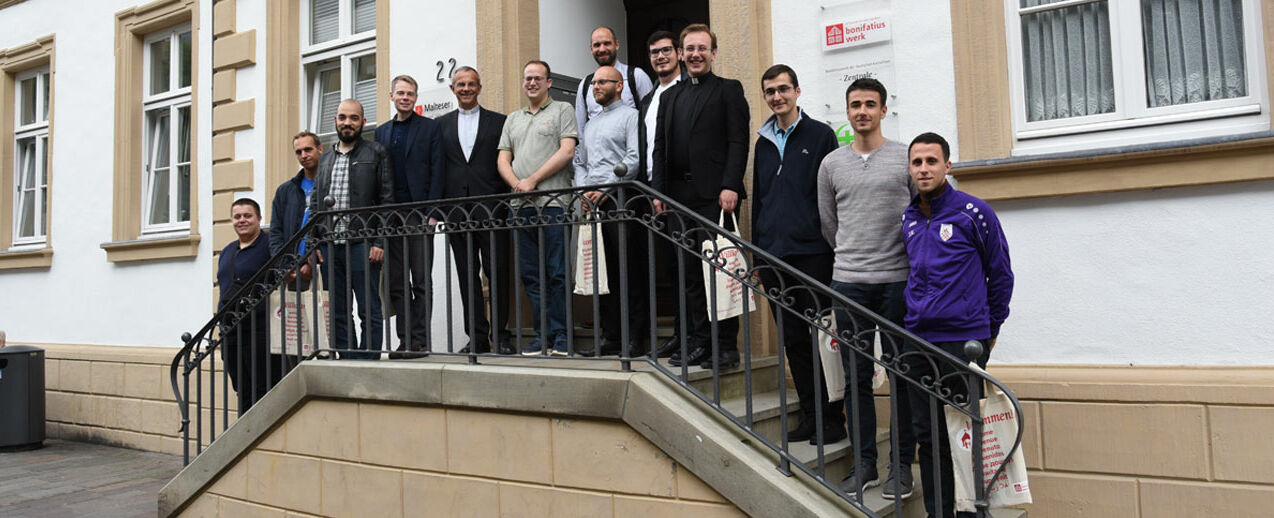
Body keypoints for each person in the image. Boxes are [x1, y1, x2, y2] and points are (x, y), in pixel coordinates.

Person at [902, 132, 1013, 518]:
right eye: (917, 162)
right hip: (918, 343)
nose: (924, 169)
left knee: (966, 437)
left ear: (947, 166)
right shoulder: (909, 216)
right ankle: (939, 513)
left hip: (962, 342)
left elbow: (999, 274)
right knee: (928, 438)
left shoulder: (974, 211)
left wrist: (989, 330)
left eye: (932, 161)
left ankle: (971, 513)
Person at [817, 77, 919, 499]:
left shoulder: (904, 158)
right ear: (847, 111)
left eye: (870, 104)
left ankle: (901, 468)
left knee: (902, 378)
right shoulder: (831, 164)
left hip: (897, 282)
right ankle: (865, 466)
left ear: (883, 110)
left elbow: (920, 213)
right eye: (855, 104)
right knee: (856, 379)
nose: (862, 111)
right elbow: (829, 224)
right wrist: (853, 259)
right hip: (849, 285)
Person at [751, 64, 846, 446]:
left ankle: (834, 419)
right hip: (773, 257)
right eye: (770, 91)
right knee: (792, 340)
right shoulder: (762, 142)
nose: (777, 97)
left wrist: (832, 246)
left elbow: (831, 197)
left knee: (824, 339)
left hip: (812, 253)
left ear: (797, 91)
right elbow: (759, 199)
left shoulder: (820, 135)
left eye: (783, 89)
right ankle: (811, 415)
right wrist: (757, 255)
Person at [650, 24, 749, 370]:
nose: (695, 54)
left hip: (714, 198)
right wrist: (660, 192)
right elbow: (660, 147)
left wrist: (731, 185)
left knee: (718, 274)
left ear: (713, 53)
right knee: (687, 274)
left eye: (702, 48)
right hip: (677, 198)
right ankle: (698, 342)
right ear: (680, 53)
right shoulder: (668, 97)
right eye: (689, 48)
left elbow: (738, 141)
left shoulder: (728, 90)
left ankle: (725, 348)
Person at [497, 60, 578, 356]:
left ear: (549, 82)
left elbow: (567, 151)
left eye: (537, 78)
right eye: (527, 78)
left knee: (556, 273)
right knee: (531, 275)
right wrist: (518, 184)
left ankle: (562, 337)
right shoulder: (513, 119)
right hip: (520, 208)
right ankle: (541, 336)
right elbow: (503, 159)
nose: (531, 83)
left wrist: (532, 180)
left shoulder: (562, 111)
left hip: (553, 204)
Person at [436, 66, 515, 355]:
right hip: (457, 212)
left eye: (471, 84)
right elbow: (438, 170)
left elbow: (509, 162)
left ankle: (502, 334)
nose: (466, 89)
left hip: (493, 208)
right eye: (460, 84)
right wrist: (440, 209)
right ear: (453, 89)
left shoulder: (500, 122)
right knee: (466, 275)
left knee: (498, 271)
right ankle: (477, 337)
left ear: (480, 87)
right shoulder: (440, 125)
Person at [310, 99, 394, 360]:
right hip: (330, 245)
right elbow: (315, 204)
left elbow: (387, 200)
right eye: (343, 117)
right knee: (338, 309)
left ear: (363, 122)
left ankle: (368, 359)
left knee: (369, 307)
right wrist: (315, 243)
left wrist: (380, 241)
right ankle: (347, 358)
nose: (348, 123)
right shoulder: (325, 159)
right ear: (335, 121)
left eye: (354, 118)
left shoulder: (376, 152)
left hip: (363, 243)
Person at [374, 74, 445, 358]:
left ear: (416, 98)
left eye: (410, 93)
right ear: (391, 96)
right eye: (400, 93)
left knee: (421, 281)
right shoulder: (380, 132)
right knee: (397, 283)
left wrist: (433, 212)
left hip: (419, 215)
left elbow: (438, 170)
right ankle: (404, 341)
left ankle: (420, 340)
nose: (405, 97)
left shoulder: (430, 128)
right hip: (391, 217)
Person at [574, 65, 641, 356]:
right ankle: (610, 336)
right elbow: (581, 162)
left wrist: (605, 188)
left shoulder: (631, 117)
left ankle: (636, 337)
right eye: (594, 83)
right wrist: (582, 191)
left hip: (620, 200)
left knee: (628, 269)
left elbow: (634, 158)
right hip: (591, 204)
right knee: (600, 271)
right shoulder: (589, 124)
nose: (596, 87)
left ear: (620, 86)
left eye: (603, 82)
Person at [640, 30, 688, 359]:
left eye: (666, 51)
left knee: (691, 270)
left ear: (679, 54)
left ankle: (699, 336)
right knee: (670, 268)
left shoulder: (689, 90)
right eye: (655, 52)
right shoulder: (648, 99)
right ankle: (679, 334)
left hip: (684, 192)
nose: (661, 57)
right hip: (651, 191)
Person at [217, 198, 282, 414]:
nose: (242, 220)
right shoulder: (227, 251)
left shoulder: (269, 245)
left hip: (260, 329)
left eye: (247, 216)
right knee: (241, 388)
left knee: (263, 387)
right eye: (237, 217)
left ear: (259, 218)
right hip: (232, 331)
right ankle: (246, 434)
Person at [575, 26, 653, 142]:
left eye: (607, 43)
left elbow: (651, 120)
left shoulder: (636, 76)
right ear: (591, 49)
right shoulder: (585, 85)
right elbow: (580, 130)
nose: (602, 49)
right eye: (597, 45)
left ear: (616, 45)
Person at [269, 132, 323, 289]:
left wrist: (312, 262)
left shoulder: (331, 185)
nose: (303, 155)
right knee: (291, 313)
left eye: (308, 149)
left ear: (320, 149)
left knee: (325, 313)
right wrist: (284, 267)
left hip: (321, 267)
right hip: (290, 271)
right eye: (299, 152)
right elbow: (275, 232)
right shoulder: (285, 190)